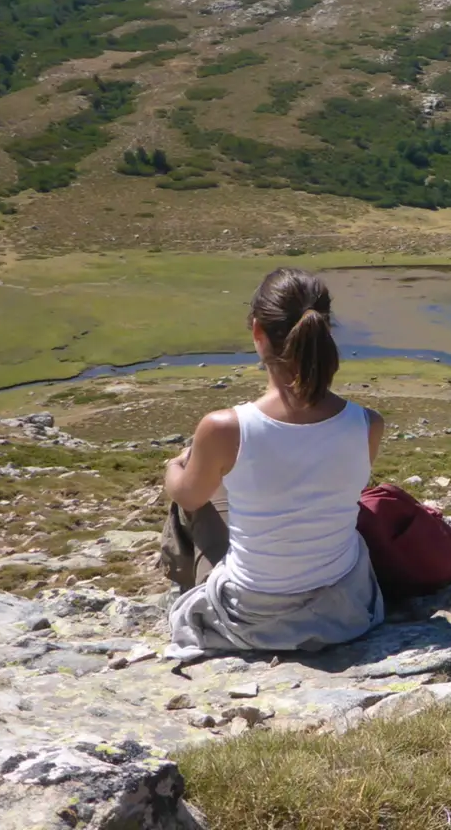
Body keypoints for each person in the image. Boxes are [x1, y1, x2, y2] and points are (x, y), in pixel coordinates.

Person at [162, 267, 386, 660]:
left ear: (257, 333)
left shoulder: (224, 428)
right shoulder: (367, 423)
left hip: (253, 616)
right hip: (343, 609)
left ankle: (187, 593)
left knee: (189, 502)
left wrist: (175, 466)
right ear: (325, 331)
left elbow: (190, 497)